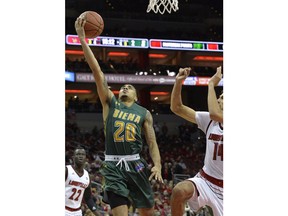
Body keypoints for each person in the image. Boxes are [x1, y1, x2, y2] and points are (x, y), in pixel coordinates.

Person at [74, 16, 164, 216]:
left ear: (135, 95)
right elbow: (97, 71)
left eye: (129, 87)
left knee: (148, 211)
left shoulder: (144, 113)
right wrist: (82, 40)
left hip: (138, 164)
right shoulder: (110, 103)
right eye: (123, 86)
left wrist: (157, 165)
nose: (125, 87)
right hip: (113, 164)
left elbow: (152, 142)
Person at [170, 66, 223, 216]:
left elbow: (214, 113)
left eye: (223, 97)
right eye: (218, 97)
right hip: (206, 181)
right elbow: (177, 108)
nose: (218, 99)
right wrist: (178, 83)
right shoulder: (210, 122)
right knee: (179, 191)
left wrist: (212, 84)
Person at [65, 146, 101, 216]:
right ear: (73, 157)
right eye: (78, 154)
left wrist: (98, 214)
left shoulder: (87, 176)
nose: (80, 156)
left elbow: (88, 198)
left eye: (82, 154)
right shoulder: (66, 170)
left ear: (85, 158)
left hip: (77, 212)